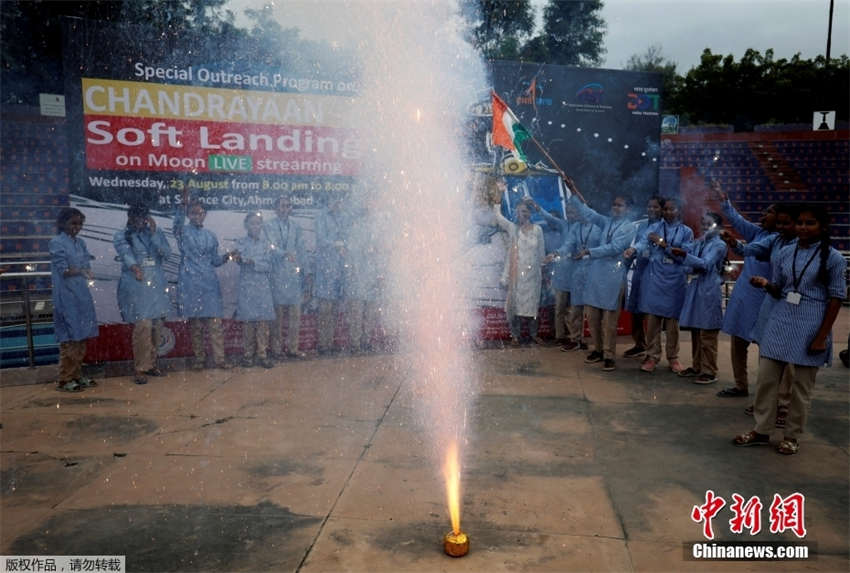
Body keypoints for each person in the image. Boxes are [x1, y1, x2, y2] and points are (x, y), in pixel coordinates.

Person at [733, 205, 846, 455]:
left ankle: (792, 435)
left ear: (823, 227)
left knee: (801, 387)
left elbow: (836, 298)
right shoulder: (785, 252)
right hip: (781, 318)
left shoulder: (834, 258)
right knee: (766, 379)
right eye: (800, 223)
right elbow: (780, 289)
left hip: (811, 323)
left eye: (810, 223)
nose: (803, 228)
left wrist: (821, 337)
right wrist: (766, 284)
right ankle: (762, 430)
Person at [714, 182, 777, 398]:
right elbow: (737, 220)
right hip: (744, 295)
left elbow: (749, 249)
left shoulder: (778, 241)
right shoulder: (758, 232)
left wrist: (735, 244)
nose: (763, 214)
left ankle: (765, 396)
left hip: (766, 299)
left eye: (769, 213)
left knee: (766, 350)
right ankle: (741, 386)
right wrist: (724, 201)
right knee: (738, 342)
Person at [738, 203, 799, 424]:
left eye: (787, 223)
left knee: (787, 359)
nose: (782, 227)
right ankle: (765, 402)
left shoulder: (806, 247)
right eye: (780, 222)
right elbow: (749, 249)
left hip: (793, 306)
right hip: (773, 300)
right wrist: (732, 243)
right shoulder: (775, 240)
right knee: (768, 357)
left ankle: (783, 405)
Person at [567, 182, 636, 371]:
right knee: (593, 317)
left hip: (614, 275)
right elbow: (589, 213)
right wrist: (573, 193)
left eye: (620, 205)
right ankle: (597, 350)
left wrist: (589, 251)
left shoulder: (629, 227)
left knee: (609, 321)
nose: (615, 207)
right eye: (614, 204)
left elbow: (615, 248)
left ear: (628, 209)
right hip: (596, 273)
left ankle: (609, 355)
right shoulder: (606, 222)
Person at [629, 196, 692, 373]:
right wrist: (634, 249)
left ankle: (673, 357)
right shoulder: (654, 227)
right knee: (653, 320)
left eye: (672, 209)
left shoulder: (686, 231)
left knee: (672, 323)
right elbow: (643, 243)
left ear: (679, 211)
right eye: (666, 209)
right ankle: (652, 356)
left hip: (675, 280)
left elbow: (683, 255)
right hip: (655, 278)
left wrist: (663, 244)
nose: (668, 212)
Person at [113, 205, 172, 385]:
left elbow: (166, 254)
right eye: (135, 217)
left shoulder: (155, 232)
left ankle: (153, 365)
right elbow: (125, 254)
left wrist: (154, 233)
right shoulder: (121, 235)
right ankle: (140, 368)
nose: (139, 221)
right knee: (143, 326)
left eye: (143, 217)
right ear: (129, 217)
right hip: (136, 285)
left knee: (157, 326)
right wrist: (135, 268)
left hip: (156, 286)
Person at [174, 198, 234, 370]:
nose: (198, 216)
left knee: (215, 324)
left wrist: (227, 257)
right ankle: (199, 359)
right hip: (190, 282)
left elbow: (214, 261)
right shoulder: (182, 232)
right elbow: (177, 223)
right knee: (196, 325)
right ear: (188, 215)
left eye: (201, 213)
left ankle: (220, 360)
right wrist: (182, 205)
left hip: (209, 283)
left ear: (205, 215)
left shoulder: (210, 235)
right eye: (193, 213)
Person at [490, 179, 552, 345]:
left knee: (533, 308)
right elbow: (497, 216)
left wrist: (545, 268)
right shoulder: (513, 229)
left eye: (526, 212)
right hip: (516, 275)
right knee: (514, 307)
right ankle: (515, 336)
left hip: (533, 276)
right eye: (520, 212)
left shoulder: (538, 230)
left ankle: (533, 334)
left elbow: (541, 253)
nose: (523, 215)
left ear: (530, 214)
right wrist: (499, 193)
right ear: (516, 213)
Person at [673, 212, 726, 384]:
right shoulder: (699, 243)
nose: (704, 227)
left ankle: (710, 370)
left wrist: (686, 257)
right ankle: (697, 366)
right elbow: (688, 268)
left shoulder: (719, 245)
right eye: (703, 223)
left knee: (708, 333)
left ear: (717, 227)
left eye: (708, 224)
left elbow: (705, 264)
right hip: (696, 289)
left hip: (709, 291)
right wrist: (689, 261)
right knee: (696, 330)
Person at [50, 207, 98, 392]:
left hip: (81, 295)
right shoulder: (56, 243)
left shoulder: (81, 243)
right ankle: (65, 378)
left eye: (79, 224)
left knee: (81, 335)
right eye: (73, 224)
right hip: (66, 296)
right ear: (63, 224)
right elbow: (64, 270)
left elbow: (86, 263)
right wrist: (82, 270)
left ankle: (77, 374)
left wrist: (85, 269)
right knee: (69, 337)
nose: (77, 227)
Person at [264, 195, 306, 360]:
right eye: (282, 206)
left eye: (288, 206)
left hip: (293, 276)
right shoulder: (268, 226)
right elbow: (270, 247)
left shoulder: (296, 227)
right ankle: (276, 350)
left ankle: (293, 349)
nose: (285, 209)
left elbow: (301, 249)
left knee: (295, 316)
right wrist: (284, 254)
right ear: (275, 208)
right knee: (278, 317)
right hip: (277, 275)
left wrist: (306, 271)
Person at [623, 196, 665, 359]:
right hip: (639, 271)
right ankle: (639, 344)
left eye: (655, 207)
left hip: (655, 273)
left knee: (651, 313)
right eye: (649, 206)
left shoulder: (663, 227)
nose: (651, 210)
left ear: (662, 209)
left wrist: (634, 249)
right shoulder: (641, 226)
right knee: (635, 309)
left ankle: (653, 349)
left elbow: (645, 243)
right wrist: (628, 256)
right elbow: (637, 244)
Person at [232, 212, 275, 368]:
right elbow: (238, 259)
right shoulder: (240, 243)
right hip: (247, 286)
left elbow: (269, 265)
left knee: (263, 322)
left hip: (262, 285)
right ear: (246, 226)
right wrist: (244, 260)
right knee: (249, 323)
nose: (255, 226)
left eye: (258, 223)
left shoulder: (266, 244)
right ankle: (248, 356)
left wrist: (254, 262)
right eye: (252, 223)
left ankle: (262, 355)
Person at [557, 204, 600, 351]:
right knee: (576, 308)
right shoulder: (576, 227)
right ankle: (576, 339)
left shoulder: (599, 227)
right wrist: (558, 252)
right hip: (577, 272)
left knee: (593, 310)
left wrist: (590, 252)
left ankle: (598, 345)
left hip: (594, 272)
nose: (580, 214)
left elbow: (603, 248)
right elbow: (568, 244)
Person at [529, 202, 570, 344]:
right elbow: (541, 253)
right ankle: (555, 333)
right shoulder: (543, 234)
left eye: (554, 218)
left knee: (565, 305)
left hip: (564, 272)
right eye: (549, 219)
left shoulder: (565, 231)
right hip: (548, 272)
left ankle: (568, 334)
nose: (550, 221)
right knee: (552, 305)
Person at [314, 196, 348, 354]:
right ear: (328, 201)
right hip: (325, 269)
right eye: (334, 200)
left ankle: (331, 342)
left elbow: (348, 239)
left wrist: (344, 246)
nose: (337, 203)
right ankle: (323, 345)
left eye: (339, 200)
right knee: (324, 309)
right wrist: (337, 245)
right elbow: (321, 240)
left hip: (339, 271)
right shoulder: (321, 217)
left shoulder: (344, 217)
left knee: (334, 310)